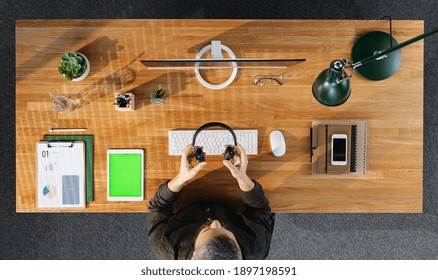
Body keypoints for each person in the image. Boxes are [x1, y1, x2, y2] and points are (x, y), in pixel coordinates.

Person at [147, 143, 275, 260]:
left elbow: (158, 207)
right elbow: (261, 210)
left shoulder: (165, 248)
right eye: (227, 231)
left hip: (187, 200)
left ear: (193, 257)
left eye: (207, 230)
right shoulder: (256, 248)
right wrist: (243, 178)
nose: (215, 222)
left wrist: (180, 178)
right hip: (230, 196)